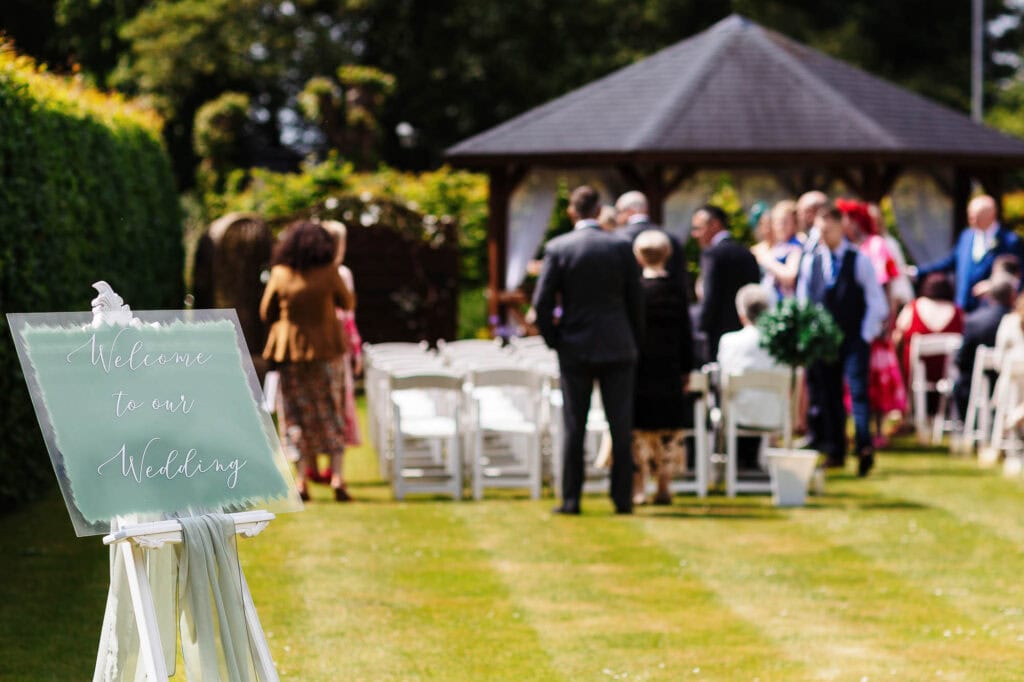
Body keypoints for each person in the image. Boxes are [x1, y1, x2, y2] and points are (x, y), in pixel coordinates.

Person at [533, 185, 644, 515]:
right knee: (620, 425)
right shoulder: (621, 247)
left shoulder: (559, 247)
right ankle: (622, 499)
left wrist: (556, 339)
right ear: (598, 211)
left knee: (574, 425)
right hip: (617, 345)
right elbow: (636, 301)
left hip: (575, 347)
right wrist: (633, 338)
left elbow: (540, 304)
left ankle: (571, 499)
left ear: (572, 212)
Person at [261, 220, 355, 502]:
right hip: (327, 351)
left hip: (290, 353)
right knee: (332, 412)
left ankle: (301, 480)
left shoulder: (279, 274)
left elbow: (266, 311)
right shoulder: (329, 273)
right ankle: (336, 475)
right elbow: (347, 303)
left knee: (294, 415)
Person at [797, 204, 889, 475]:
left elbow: (876, 301)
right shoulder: (811, 261)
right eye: (820, 230)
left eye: (828, 229)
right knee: (828, 395)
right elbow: (804, 300)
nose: (824, 235)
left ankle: (863, 446)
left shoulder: (857, 259)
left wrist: (864, 333)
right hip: (823, 341)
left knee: (858, 394)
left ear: (841, 227)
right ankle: (834, 449)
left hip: (852, 337)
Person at [629, 230, 694, 505]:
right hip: (669, 367)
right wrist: (687, 368)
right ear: (667, 254)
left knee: (639, 429)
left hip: (640, 367)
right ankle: (663, 485)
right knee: (668, 429)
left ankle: (639, 486)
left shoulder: (635, 291)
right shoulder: (677, 290)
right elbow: (686, 334)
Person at [836, 198, 905, 447]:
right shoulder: (846, 247)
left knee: (875, 378)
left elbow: (887, 286)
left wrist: (887, 320)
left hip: (874, 322)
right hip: (854, 322)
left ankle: (876, 431)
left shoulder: (876, 245)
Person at [717, 284, 786, 469]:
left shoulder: (729, 341)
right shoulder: (781, 343)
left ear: (741, 314)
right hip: (776, 414)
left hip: (738, 415)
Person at [916, 195, 1022, 313]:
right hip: (963, 306)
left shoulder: (1010, 241)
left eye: (977, 216)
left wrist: (993, 285)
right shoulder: (966, 236)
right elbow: (950, 262)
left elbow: (1017, 276)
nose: (972, 219)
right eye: (970, 215)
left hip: (990, 309)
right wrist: (918, 272)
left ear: (992, 214)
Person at [691, 204, 760, 361]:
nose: (695, 234)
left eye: (698, 228)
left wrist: (699, 330)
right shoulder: (747, 253)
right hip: (744, 334)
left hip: (717, 336)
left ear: (714, 224)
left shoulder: (711, 254)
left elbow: (709, 298)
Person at [892, 273, 964, 418]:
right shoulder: (957, 312)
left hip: (915, 372)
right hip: (946, 372)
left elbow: (897, 337)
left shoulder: (914, 307)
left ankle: (907, 410)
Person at [322, 220, 363, 449]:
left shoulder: (309, 273)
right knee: (337, 401)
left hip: (324, 343)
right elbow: (349, 317)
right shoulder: (341, 274)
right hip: (337, 345)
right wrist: (356, 350)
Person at [955, 273, 1017, 418]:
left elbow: (962, 358)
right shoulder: (1017, 322)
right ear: (1012, 297)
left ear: (990, 296)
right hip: (1010, 383)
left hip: (977, 383)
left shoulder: (974, 320)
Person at [616, 190, 689, 296]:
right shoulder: (670, 237)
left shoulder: (618, 238)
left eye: (618, 212)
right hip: (668, 300)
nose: (617, 217)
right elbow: (681, 277)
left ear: (629, 211)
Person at [757, 200, 803, 299]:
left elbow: (790, 276)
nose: (780, 227)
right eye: (777, 222)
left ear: (795, 223)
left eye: (785, 222)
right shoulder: (779, 246)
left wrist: (767, 261)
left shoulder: (796, 246)